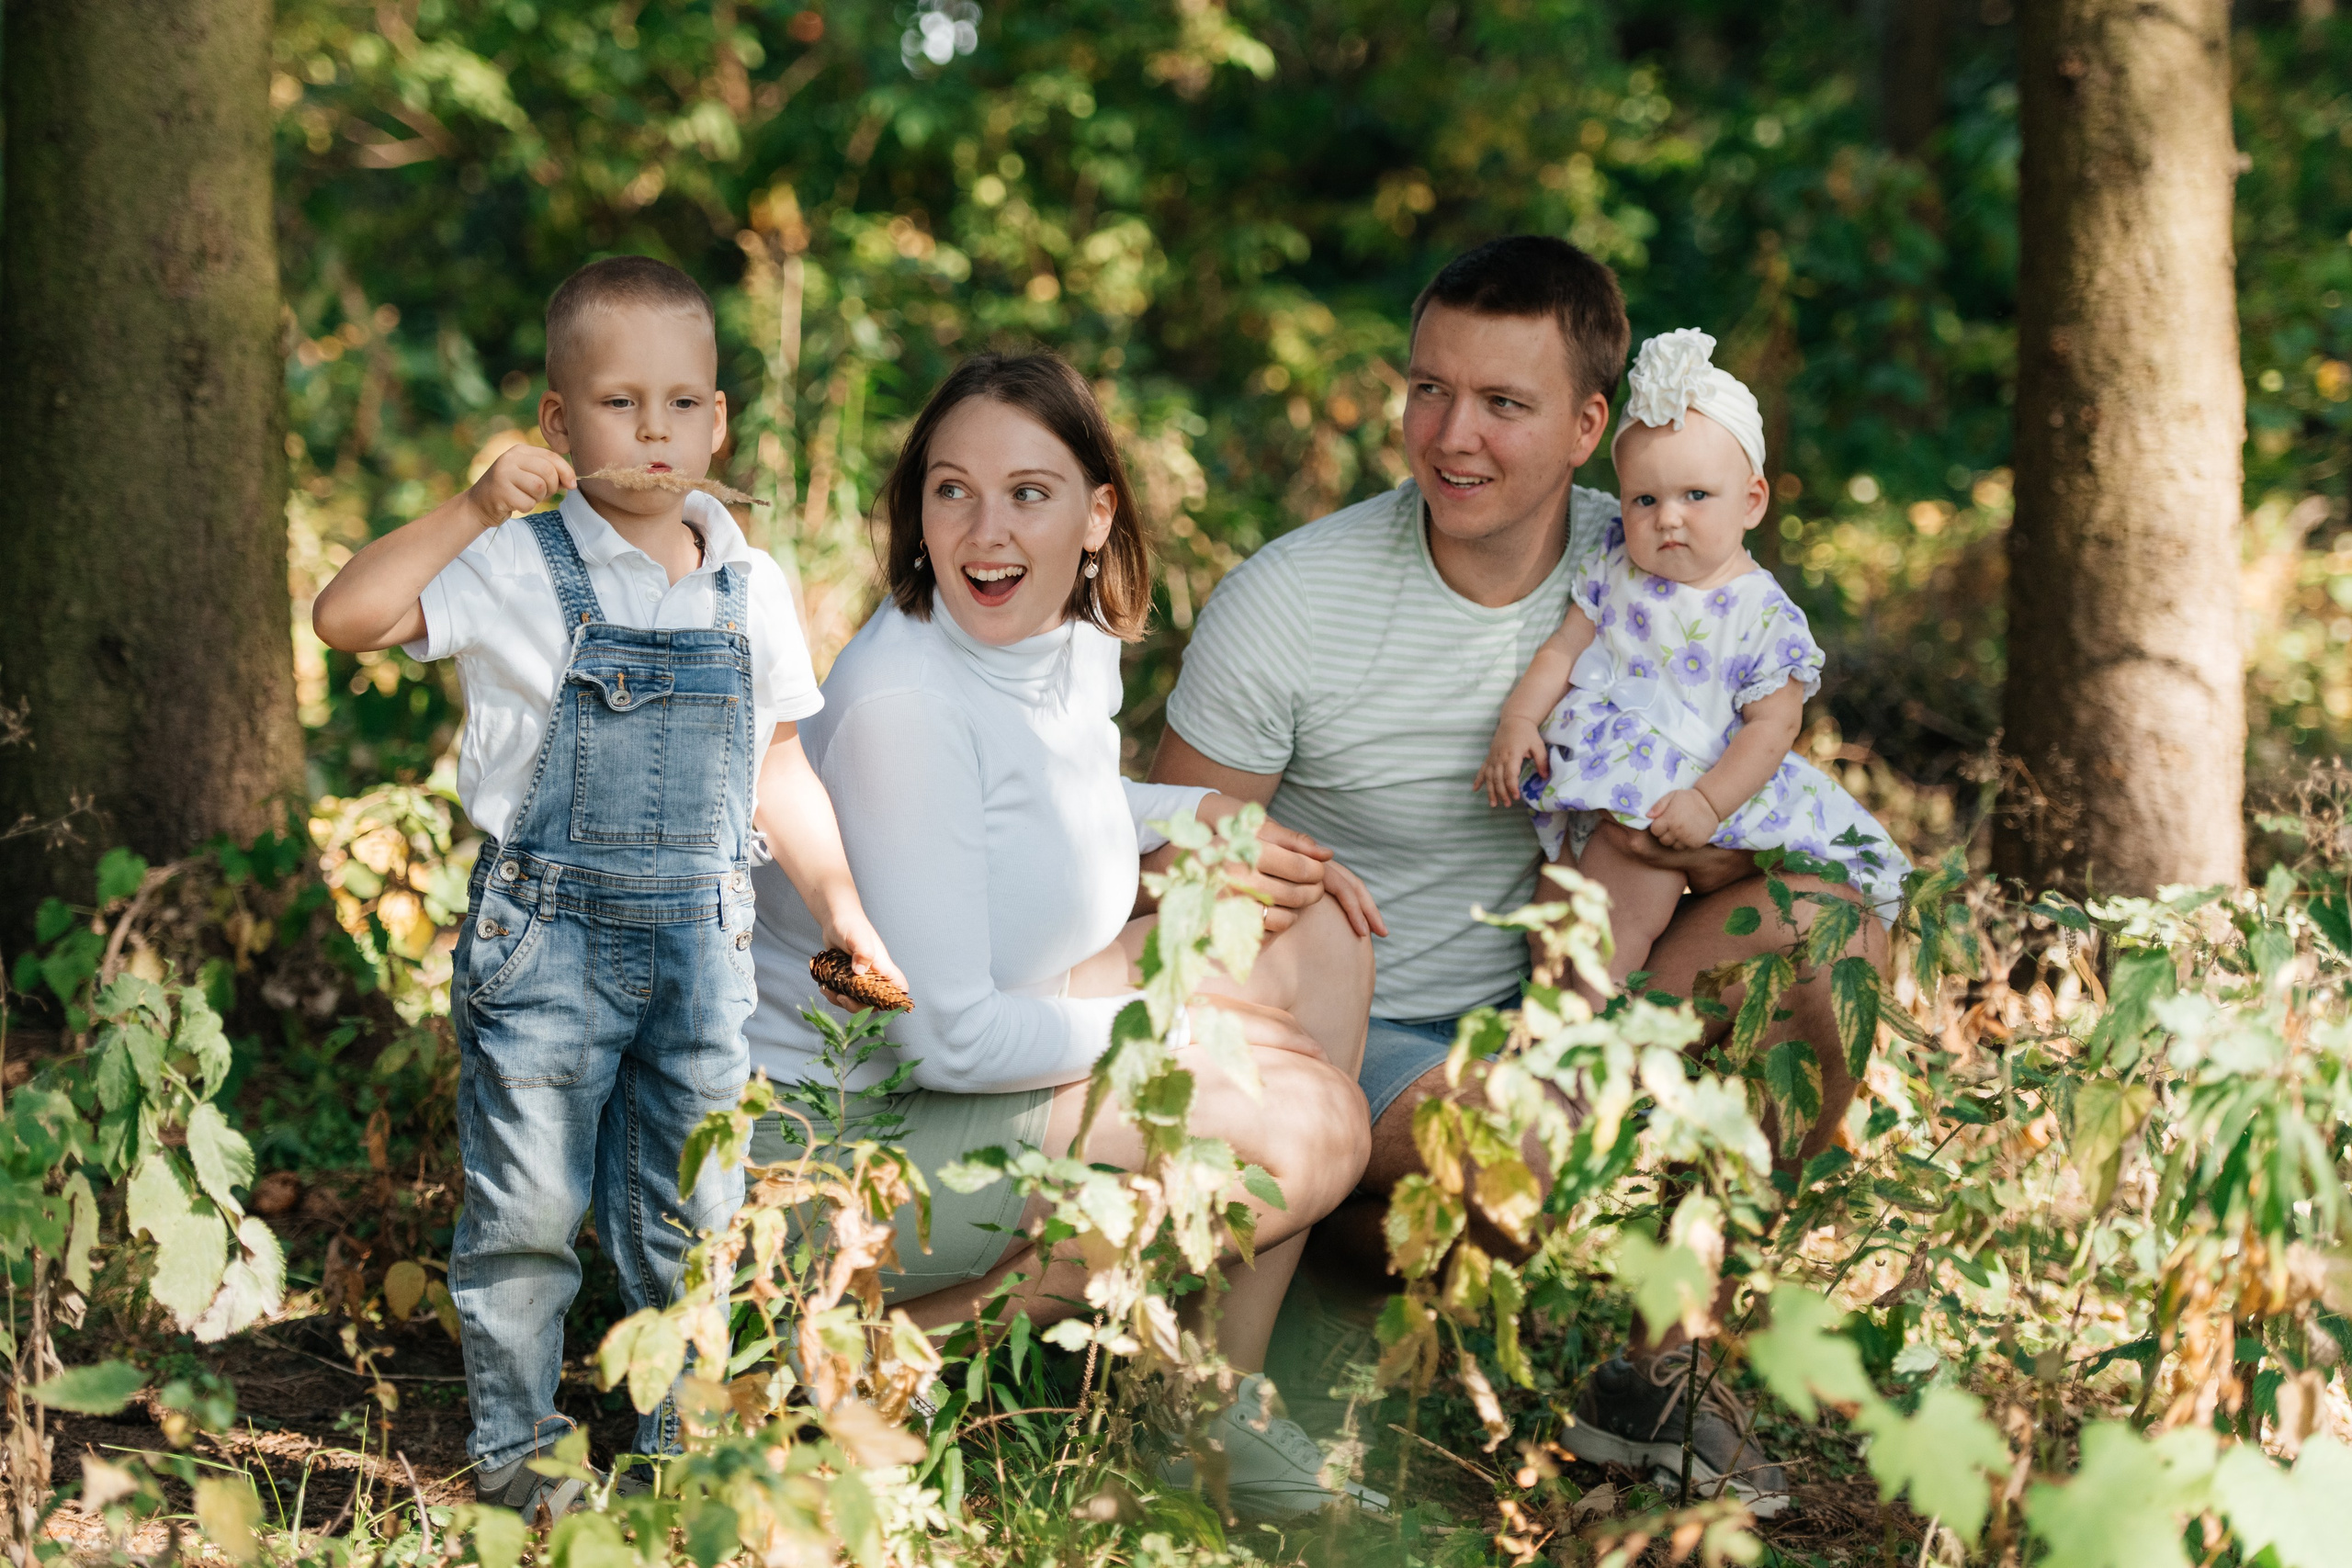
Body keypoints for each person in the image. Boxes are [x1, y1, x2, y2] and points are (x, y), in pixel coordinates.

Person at [1149, 236, 1889, 1514]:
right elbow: (1170, 862)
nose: (1453, 435)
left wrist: (1701, 836)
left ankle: (1651, 1368)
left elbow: (1760, 763)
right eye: (1430, 389)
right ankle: (1338, 1256)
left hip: (1584, 987)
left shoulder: (1664, 549)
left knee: (1837, 940)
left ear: (1592, 424)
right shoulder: (1291, 599)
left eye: (1504, 402)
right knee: (1534, 1129)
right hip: (1361, 1037)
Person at [744, 352, 1384, 1519]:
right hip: (847, 1137)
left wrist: (1197, 819)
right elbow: (941, 1042)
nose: (985, 531)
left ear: (1097, 517)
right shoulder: (908, 708)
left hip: (979, 1045)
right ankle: (876, 1355)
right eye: (952, 490)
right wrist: (1177, 1029)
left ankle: (1208, 1397)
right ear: (917, 508)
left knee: (1317, 931)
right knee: (1313, 1130)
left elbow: (1053, 806)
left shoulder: (1061, 642)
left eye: (1029, 493)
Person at [311, 256, 902, 1520]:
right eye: (620, 403)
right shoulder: (516, 562)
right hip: (546, 937)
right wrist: (469, 510)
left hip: (704, 942)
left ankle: (675, 1450)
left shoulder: (755, 583)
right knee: (528, 1206)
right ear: (556, 424)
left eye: (682, 403)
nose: (654, 431)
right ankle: (521, 1452)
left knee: (689, 1212)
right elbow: (345, 616)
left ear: (720, 420)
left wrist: (843, 903)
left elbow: (778, 765)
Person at [1477, 328, 1909, 987]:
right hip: (1596, 775)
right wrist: (1518, 720)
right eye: (1644, 500)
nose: (1667, 518)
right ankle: (1551, 1022)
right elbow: (1566, 646)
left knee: (1617, 922)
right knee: (1557, 909)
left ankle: (1585, 1047)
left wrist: (1708, 803)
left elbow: (1773, 726)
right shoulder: (1618, 566)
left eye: (1695, 497)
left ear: (1752, 501)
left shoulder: (1761, 612)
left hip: (1680, 790)